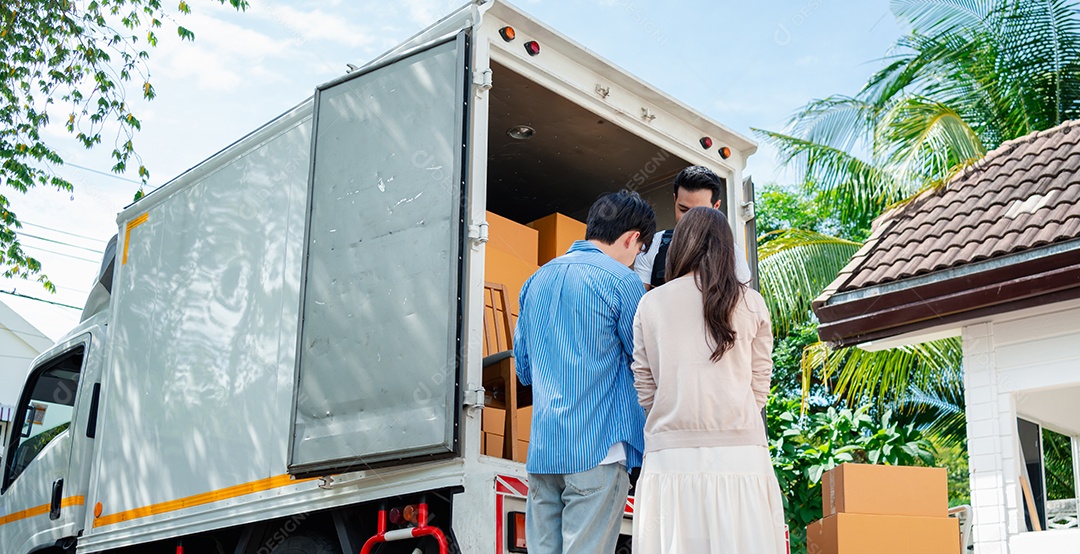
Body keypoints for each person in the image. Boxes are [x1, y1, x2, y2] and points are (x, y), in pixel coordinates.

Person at [630, 207, 785, 553]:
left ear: (681, 245)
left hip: (670, 455)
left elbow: (643, 380)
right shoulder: (752, 303)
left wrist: (674, 410)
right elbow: (760, 382)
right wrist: (732, 414)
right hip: (741, 454)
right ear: (726, 247)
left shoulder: (651, 303)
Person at [514, 189, 656, 554]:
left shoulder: (536, 280)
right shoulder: (622, 282)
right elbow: (644, 362)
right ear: (632, 239)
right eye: (639, 251)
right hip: (598, 451)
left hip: (544, 453)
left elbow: (524, 371)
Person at [635, 165, 751, 289]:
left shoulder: (733, 256)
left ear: (716, 206)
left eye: (699, 212)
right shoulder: (653, 245)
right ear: (675, 199)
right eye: (683, 209)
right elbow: (640, 302)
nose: (689, 219)